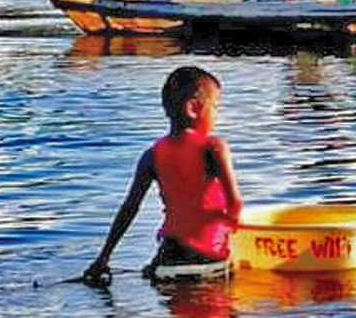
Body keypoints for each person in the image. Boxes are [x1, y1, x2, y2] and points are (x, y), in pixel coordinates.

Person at [83, 66, 244, 285]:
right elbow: (235, 203)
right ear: (193, 108)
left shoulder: (151, 155)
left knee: (176, 315)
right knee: (223, 314)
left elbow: (129, 208)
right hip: (208, 258)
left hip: (168, 257)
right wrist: (236, 227)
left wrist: (103, 259)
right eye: (215, 107)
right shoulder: (214, 147)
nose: (216, 114)